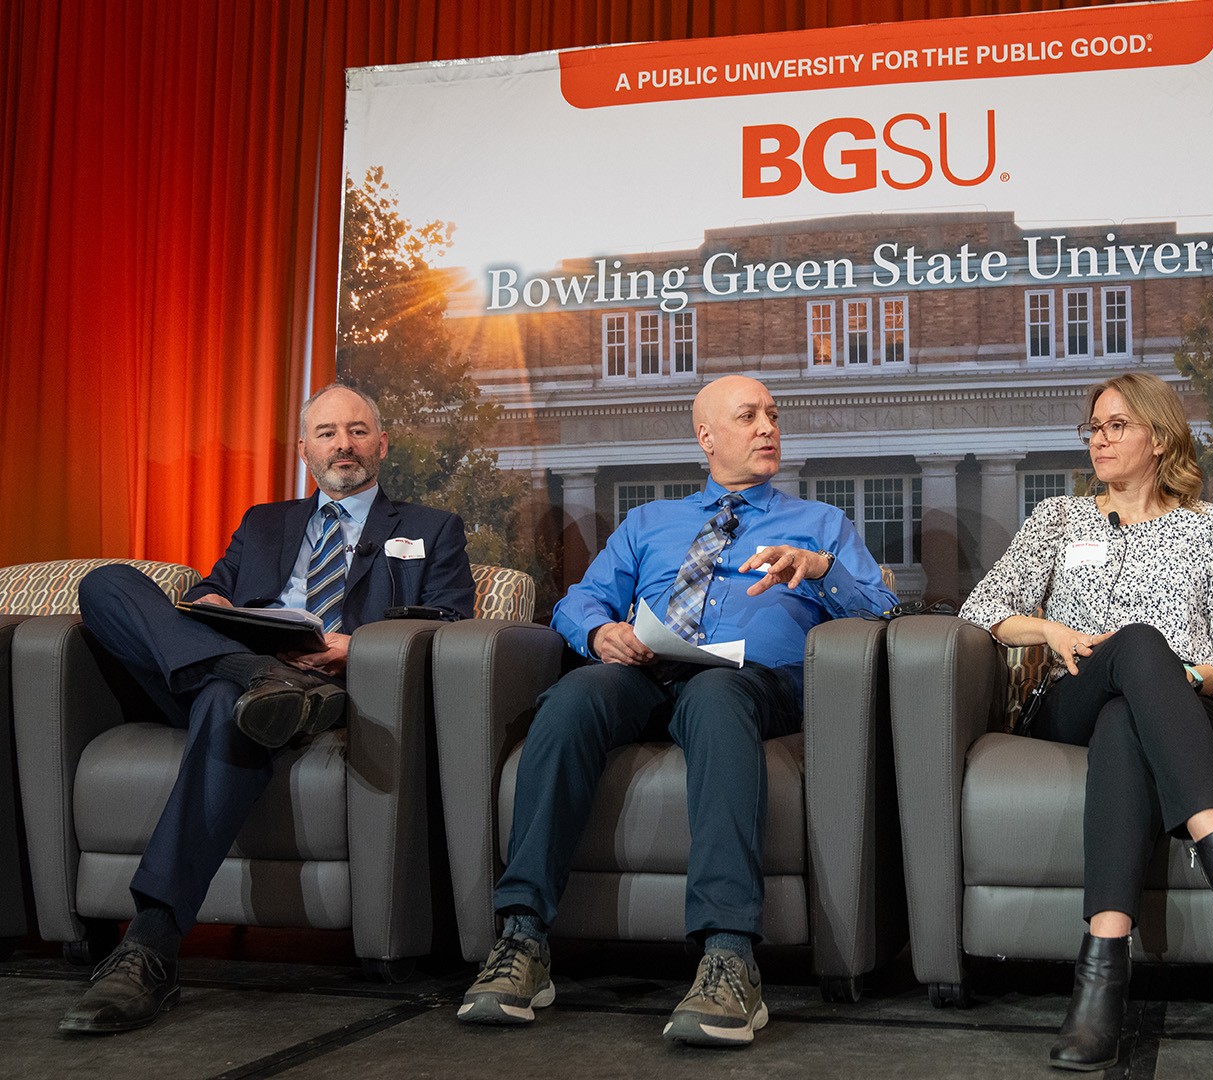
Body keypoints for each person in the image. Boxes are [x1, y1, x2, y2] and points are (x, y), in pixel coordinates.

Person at [457, 374, 895, 1048]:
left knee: (717, 697)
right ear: (707, 437)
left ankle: (728, 956)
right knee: (574, 697)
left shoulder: (819, 524)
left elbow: (881, 610)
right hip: (648, 672)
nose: (768, 428)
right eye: (749, 416)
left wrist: (818, 566)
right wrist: (598, 633)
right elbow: (581, 600)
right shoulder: (650, 522)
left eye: (773, 415)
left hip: (751, 682)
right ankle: (521, 936)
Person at [58, 383, 475, 1035]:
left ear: (382, 444)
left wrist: (352, 645)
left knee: (230, 702)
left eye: (359, 431)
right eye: (329, 432)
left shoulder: (430, 529)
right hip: (239, 666)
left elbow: (451, 621)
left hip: (333, 691)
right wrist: (213, 609)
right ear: (305, 448)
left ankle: (150, 944)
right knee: (106, 583)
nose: (345, 444)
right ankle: (251, 672)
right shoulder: (263, 523)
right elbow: (214, 588)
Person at [958, 371, 1213, 1072]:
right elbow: (981, 610)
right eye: (1094, 427)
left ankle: (1100, 983)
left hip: (1182, 702)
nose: (1101, 439)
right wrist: (1050, 631)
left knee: (1129, 717)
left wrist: (1185, 678)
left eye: (1118, 425)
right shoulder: (1058, 518)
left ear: (1160, 436)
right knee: (1136, 645)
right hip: (1073, 692)